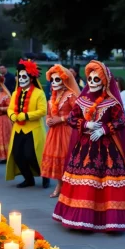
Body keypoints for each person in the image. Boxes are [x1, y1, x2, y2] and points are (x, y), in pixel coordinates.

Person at [53, 60, 125, 232]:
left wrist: (104, 129)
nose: (92, 83)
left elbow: (121, 121)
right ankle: (81, 217)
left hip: (107, 149)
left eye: (96, 80)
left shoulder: (111, 102)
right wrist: (85, 125)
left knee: (107, 183)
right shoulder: (82, 100)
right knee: (85, 180)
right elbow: (72, 118)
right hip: (85, 147)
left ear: (104, 82)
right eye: (90, 79)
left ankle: (109, 218)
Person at [6, 59, 49, 188]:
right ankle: (28, 179)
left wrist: (26, 115)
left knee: (31, 155)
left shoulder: (39, 93)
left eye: (24, 76)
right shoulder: (15, 93)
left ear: (31, 78)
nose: (21, 79)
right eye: (19, 76)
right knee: (18, 155)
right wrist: (13, 116)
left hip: (33, 129)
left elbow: (43, 111)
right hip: (18, 129)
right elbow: (10, 108)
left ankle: (44, 175)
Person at [41, 64, 80, 198]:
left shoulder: (70, 95)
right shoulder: (52, 96)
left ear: (64, 80)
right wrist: (48, 120)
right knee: (56, 159)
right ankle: (60, 184)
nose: (54, 83)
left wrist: (61, 119)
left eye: (57, 79)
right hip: (54, 132)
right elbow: (48, 113)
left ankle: (69, 187)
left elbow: (77, 114)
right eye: (52, 80)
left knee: (66, 159)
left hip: (67, 131)